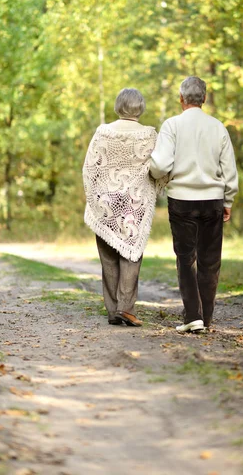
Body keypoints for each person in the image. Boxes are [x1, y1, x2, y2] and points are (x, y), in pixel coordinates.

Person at [150, 76, 238, 333]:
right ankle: (206, 318)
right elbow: (229, 169)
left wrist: (156, 175)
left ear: (181, 99)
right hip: (212, 200)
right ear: (204, 99)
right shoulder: (218, 127)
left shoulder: (171, 125)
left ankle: (192, 316)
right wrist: (228, 199)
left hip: (182, 201)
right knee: (210, 260)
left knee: (186, 259)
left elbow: (160, 164)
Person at [82, 88, 162, 327]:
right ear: (140, 107)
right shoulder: (149, 134)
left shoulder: (103, 132)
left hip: (106, 201)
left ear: (118, 107)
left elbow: (90, 168)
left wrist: (94, 197)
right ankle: (125, 308)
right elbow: (158, 166)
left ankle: (113, 310)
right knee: (131, 254)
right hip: (134, 203)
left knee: (108, 256)